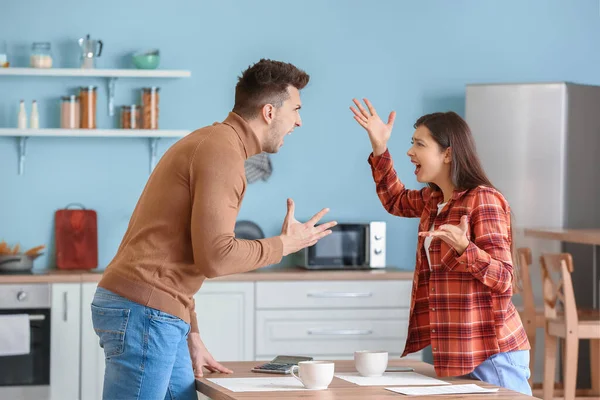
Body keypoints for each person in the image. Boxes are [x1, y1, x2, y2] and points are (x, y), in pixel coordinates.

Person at [90, 59, 337, 400]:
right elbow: (216, 257)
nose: (299, 120)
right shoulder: (222, 152)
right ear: (269, 112)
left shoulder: (216, 143)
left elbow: (183, 249)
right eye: (295, 109)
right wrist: (285, 244)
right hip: (146, 311)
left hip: (158, 310)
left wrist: (190, 331)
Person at [349, 98, 532, 395]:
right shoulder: (433, 201)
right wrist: (380, 147)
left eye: (419, 144)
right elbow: (395, 200)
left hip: (492, 351)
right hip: (457, 352)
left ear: (448, 154)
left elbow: (505, 280)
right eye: (411, 143)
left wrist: (465, 249)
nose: (410, 151)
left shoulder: (482, 199)